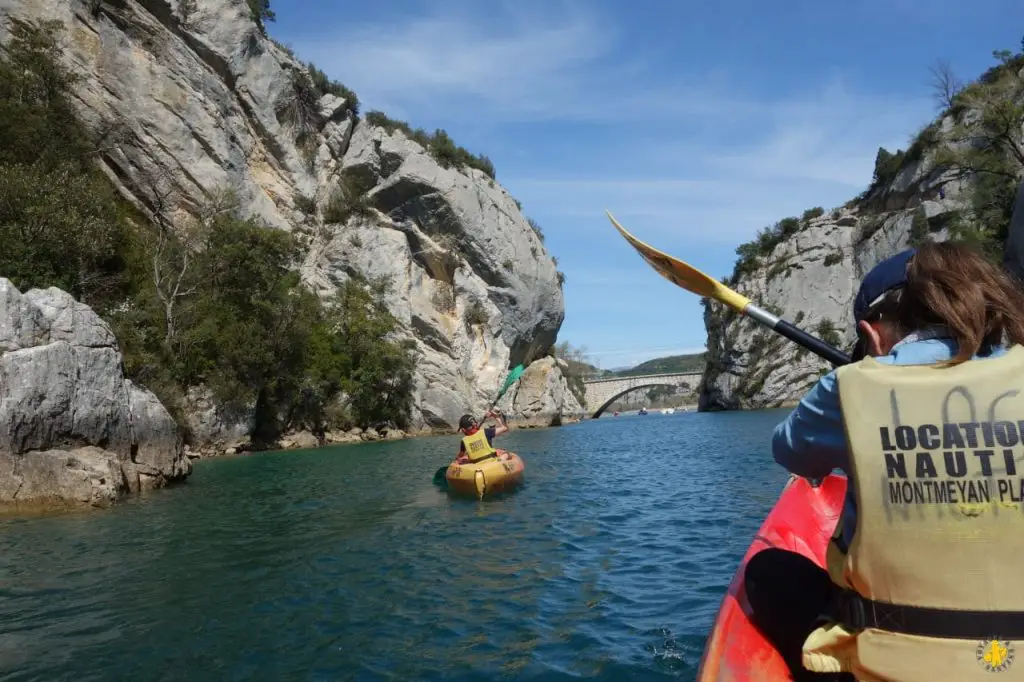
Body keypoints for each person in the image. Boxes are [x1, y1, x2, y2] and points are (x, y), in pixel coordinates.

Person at [745, 240, 1024, 681]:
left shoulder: (848, 388)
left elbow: (789, 450)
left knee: (767, 572)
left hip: (889, 668)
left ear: (872, 333)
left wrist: (858, 384)